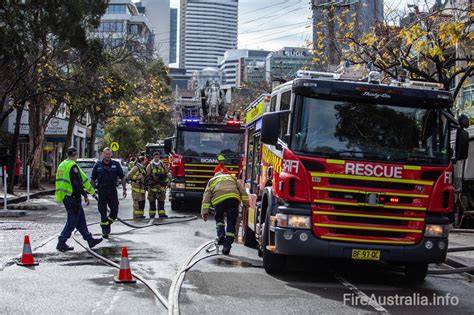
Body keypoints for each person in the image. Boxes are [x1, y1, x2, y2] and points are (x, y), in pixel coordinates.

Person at [55, 146, 102, 252]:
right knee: (72, 221)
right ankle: (61, 242)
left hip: (66, 197)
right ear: (75, 155)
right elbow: (77, 184)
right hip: (73, 197)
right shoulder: (73, 166)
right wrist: (85, 195)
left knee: (80, 220)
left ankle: (89, 239)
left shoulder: (62, 164)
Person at [201, 171, 249, 255]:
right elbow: (242, 190)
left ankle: (221, 235)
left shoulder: (212, 180)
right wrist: (246, 203)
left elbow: (206, 196)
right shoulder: (232, 178)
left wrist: (204, 212)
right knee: (231, 222)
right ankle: (227, 246)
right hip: (233, 199)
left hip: (219, 200)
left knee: (219, 218)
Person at [91, 148, 127, 238]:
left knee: (114, 211)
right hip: (102, 190)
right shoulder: (97, 165)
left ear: (111, 155)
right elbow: (93, 179)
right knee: (102, 211)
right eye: (106, 154)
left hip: (112, 190)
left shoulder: (116, 164)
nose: (107, 155)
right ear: (103, 154)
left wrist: (124, 189)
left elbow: (122, 177)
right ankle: (105, 230)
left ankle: (107, 223)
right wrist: (92, 191)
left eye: (109, 154)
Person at [146, 151, 169, 218]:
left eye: (158, 157)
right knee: (152, 201)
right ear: (153, 157)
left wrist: (165, 182)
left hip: (161, 187)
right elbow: (147, 176)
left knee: (161, 201)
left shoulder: (162, 165)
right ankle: (152, 214)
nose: (157, 158)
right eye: (156, 157)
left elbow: (167, 174)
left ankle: (161, 214)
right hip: (153, 187)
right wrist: (150, 183)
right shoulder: (150, 165)